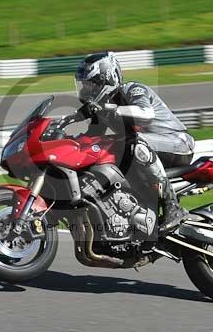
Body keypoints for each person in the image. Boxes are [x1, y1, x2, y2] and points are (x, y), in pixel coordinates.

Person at [69, 51, 194, 235]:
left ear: (107, 79)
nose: (87, 89)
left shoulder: (132, 89)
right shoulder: (103, 106)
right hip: (148, 152)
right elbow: (92, 137)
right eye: (85, 84)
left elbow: (146, 113)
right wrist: (68, 140)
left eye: (91, 83)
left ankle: (172, 207)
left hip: (176, 142)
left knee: (134, 142)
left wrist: (114, 109)